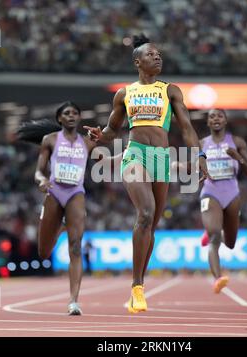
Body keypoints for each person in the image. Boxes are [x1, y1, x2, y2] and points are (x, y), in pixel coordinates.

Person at [84, 34, 209, 313]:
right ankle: (137, 287)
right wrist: (99, 135)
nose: (157, 57)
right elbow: (112, 129)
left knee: (151, 226)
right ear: (137, 61)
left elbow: (187, 128)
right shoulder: (125, 93)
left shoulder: (170, 90)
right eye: (151, 54)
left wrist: (199, 155)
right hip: (135, 153)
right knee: (145, 213)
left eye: (159, 54)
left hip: (162, 157)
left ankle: (139, 285)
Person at [18, 102, 97, 315]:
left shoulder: (87, 143)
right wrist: (42, 181)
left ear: (80, 118)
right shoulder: (50, 140)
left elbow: (104, 159)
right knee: (43, 253)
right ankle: (61, 226)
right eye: (66, 113)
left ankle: (73, 301)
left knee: (75, 247)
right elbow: (38, 172)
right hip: (54, 192)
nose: (71, 116)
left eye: (75, 113)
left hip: (75, 194)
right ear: (59, 119)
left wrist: (121, 152)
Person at [199, 109, 247, 293]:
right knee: (215, 236)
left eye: (219, 116)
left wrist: (237, 157)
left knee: (230, 243)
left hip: (231, 194)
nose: (216, 119)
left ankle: (213, 233)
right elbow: (192, 166)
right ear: (207, 122)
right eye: (212, 117)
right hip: (210, 193)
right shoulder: (201, 144)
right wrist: (180, 167)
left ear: (225, 121)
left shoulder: (237, 142)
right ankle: (218, 278)